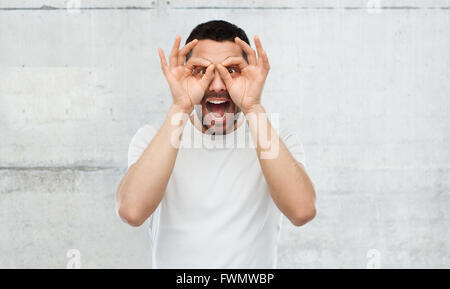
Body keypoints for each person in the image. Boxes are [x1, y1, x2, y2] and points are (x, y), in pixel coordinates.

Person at [115, 20, 316, 269]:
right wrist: (180, 107)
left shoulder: (276, 141)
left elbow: (302, 211)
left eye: (231, 71)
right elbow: (131, 211)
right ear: (186, 73)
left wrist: (253, 106)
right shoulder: (154, 138)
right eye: (202, 70)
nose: (218, 85)